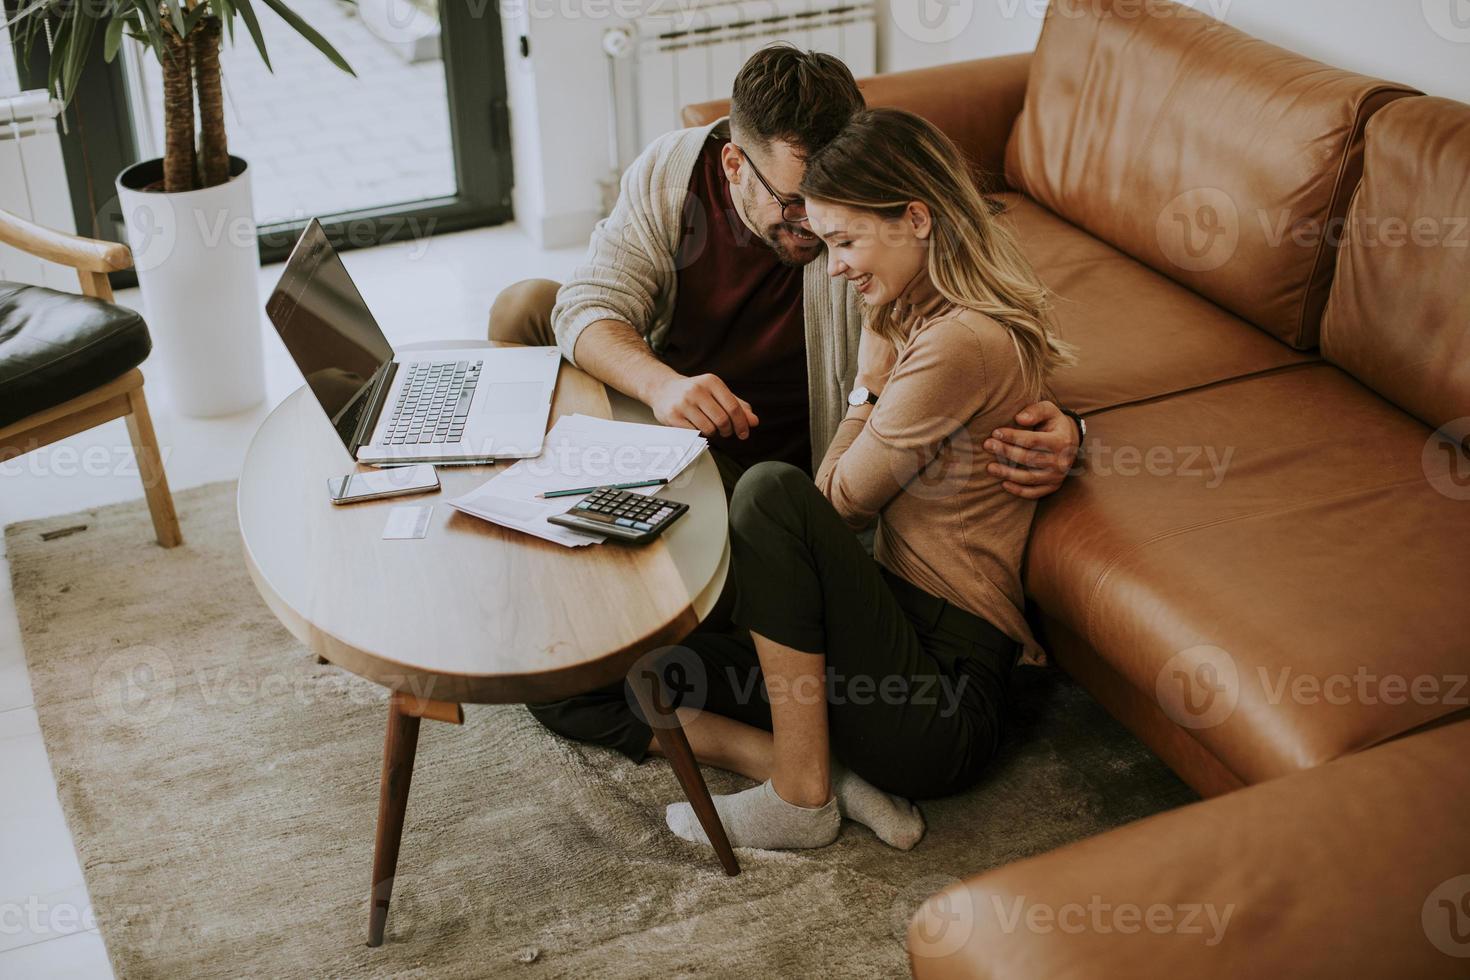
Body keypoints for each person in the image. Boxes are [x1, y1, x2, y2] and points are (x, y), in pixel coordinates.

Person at [500, 47, 1086, 849]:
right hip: (778, 521)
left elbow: (992, 360)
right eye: (799, 204)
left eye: (836, 218)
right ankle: (818, 770)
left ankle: (802, 789)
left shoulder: (926, 300)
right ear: (734, 163)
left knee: (770, 497)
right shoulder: (676, 179)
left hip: (819, 541)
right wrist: (666, 387)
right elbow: (586, 306)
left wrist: (1071, 426)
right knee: (565, 666)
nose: (816, 232)